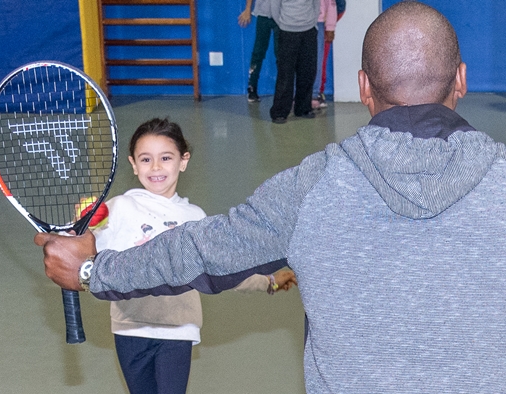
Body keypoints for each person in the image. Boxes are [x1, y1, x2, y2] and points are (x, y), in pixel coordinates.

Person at [36, 2, 506, 392]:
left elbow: (198, 250)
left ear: (363, 87)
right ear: (460, 79)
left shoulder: (310, 186)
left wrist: (93, 269)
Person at [86, 117, 297, 394]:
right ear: (133, 164)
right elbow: (87, 252)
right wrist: (81, 228)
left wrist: (267, 281)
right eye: (146, 159)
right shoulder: (118, 208)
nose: (156, 167)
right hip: (130, 330)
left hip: (178, 329)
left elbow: (221, 270)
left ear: (183, 161)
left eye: (166, 157)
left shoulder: (195, 218)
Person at [269, 0, 320, 124]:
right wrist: (283, 24)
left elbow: (316, 3)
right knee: (285, 74)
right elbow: (274, 7)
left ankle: (303, 108)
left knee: (307, 71)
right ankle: (280, 112)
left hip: (309, 30)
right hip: (287, 31)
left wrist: (312, 22)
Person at [238, 0, 280, 103]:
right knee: (258, 51)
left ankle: (284, 91)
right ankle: (252, 88)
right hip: (263, 13)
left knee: (281, 53)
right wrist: (248, 9)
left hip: (282, 14)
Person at [311, 0, 337, 110]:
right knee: (297, 61)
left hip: (318, 22)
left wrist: (330, 27)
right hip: (296, 23)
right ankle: (295, 95)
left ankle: (314, 94)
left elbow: (331, 4)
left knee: (317, 60)